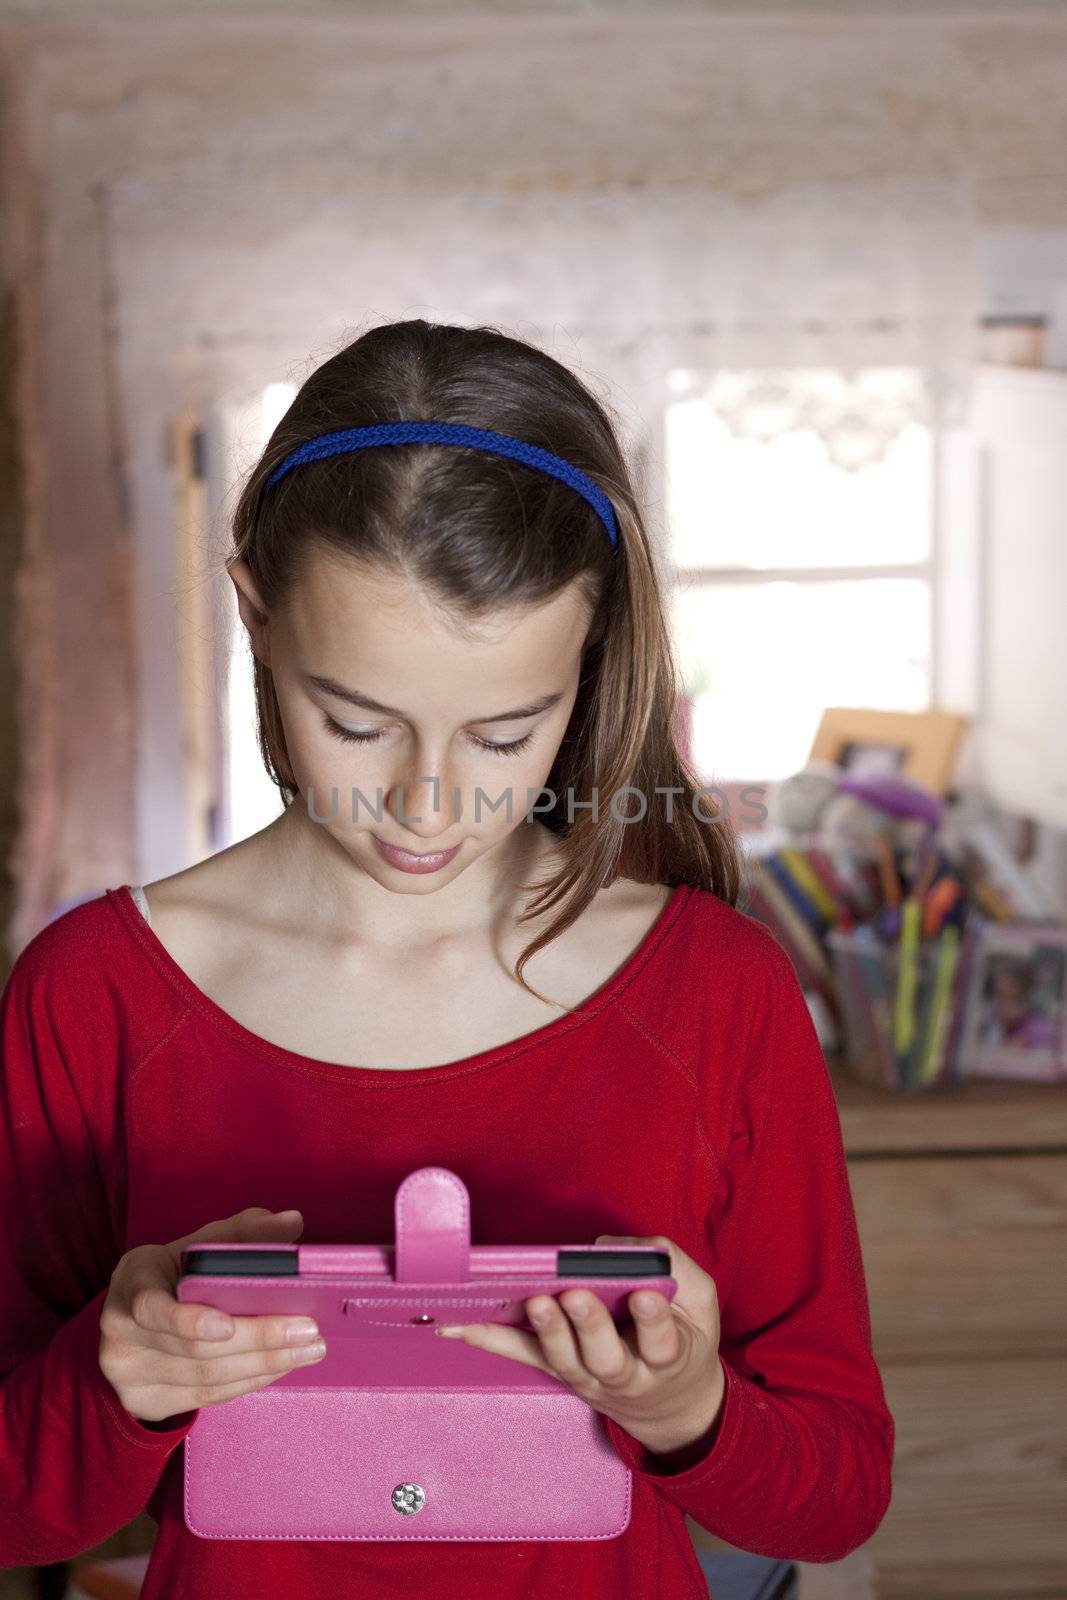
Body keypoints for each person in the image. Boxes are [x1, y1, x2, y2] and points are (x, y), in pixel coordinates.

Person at [0, 320, 893, 1599]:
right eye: (354, 721)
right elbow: (17, 1512)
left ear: (588, 667)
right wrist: (115, 1374)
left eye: (503, 731)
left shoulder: (715, 991)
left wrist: (692, 1407)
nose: (427, 803)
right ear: (254, 616)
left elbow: (836, 1493)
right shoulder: (92, 992)